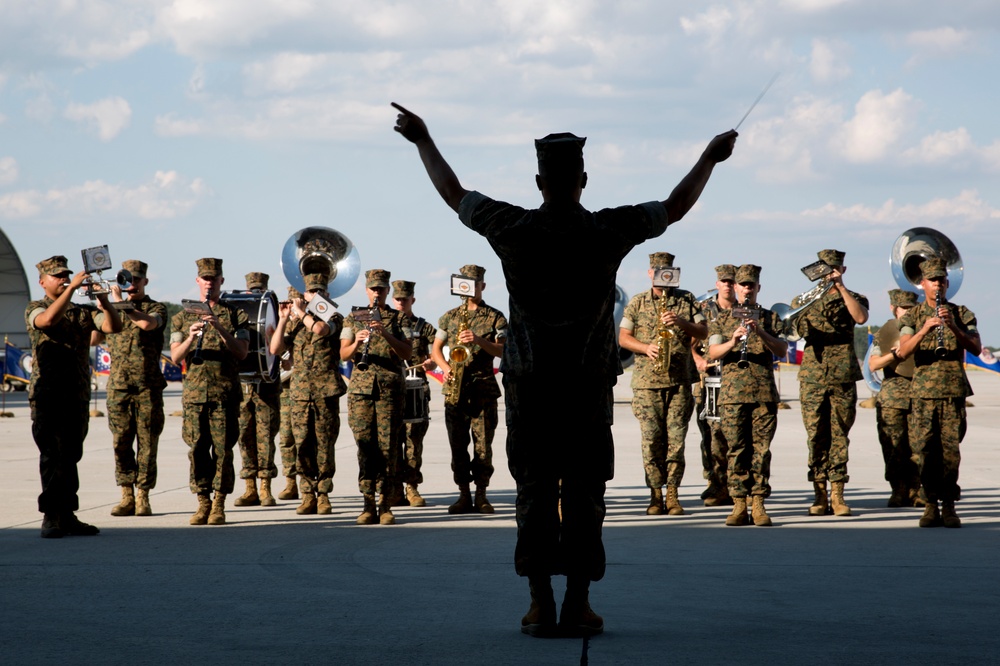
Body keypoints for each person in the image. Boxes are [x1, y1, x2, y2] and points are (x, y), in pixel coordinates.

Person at [393, 102, 736, 637]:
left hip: (531, 389)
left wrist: (422, 140)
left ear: (538, 180)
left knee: (533, 490)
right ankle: (577, 602)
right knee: (582, 494)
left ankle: (538, 603)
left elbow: (455, 195)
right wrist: (710, 158)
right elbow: (674, 206)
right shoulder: (606, 231)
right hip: (584, 390)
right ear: (582, 179)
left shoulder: (514, 228)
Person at [27, 255, 123, 538]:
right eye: (57, 276)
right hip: (48, 396)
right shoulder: (35, 307)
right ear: (42, 281)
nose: (63, 279)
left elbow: (112, 327)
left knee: (70, 455)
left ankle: (67, 514)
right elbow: (46, 321)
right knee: (51, 455)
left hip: (76, 395)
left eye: (66, 275)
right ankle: (51, 516)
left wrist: (104, 301)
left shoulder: (82, 312)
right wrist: (71, 291)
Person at [619, 252, 707, 516]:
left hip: (679, 382)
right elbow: (623, 337)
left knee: (676, 441)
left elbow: (703, 333)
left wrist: (680, 321)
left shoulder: (686, 299)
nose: (662, 275)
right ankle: (655, 494)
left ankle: (673, 494)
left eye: (667, 271)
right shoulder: (637, 302)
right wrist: (646, 347)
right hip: (647, 383)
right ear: (649, 273)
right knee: (651, 441)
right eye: (657, 271)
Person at [896, 258, 980, 528]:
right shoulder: (912, 316)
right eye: (933, 280)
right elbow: (903, 351)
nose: (938, 284)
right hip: (922, 393)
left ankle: (949, 506)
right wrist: (924, 329)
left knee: (950, 452)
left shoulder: (962, 312)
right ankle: (930, 504)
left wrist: (952, 325)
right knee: (925, 450)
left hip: (952, 391)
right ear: (923, 284)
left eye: (941, 280)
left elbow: (976, 348)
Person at [170, 258, 249, 526]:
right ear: (197, 281)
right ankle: (202, 501)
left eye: (214, 278)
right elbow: (175, 357)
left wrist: (218, 326)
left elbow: (241, 352)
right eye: (205, 278)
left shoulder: (237, 315)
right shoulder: (182, 317)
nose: (209, 282)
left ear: (221, 282)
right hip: (194, 396)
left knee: (223, 451)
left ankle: (219, 504)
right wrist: (191, 337)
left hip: (224, 394)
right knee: (197, 450)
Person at [707, 264, 787, 526]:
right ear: (737, 288)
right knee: (736, 450)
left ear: (758, 288)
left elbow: (782, 350)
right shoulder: (722, 318)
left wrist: (760, 331)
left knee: (761, 451)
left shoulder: (770, 317)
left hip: (763, 394)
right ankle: (739, 504)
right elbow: (713, 354)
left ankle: (759, 504)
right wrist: (733, 340)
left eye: (751, 285)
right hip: (732, 395)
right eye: (743, 285)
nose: (747, 289)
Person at [793, 249, 868, 517]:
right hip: (813, 376)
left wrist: (840, 287)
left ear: (842, 270)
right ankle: (819, 494)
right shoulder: (803, 300)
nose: (829, 273)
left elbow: (860, 318)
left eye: (834, 268)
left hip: (843, 375)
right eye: (825, 269)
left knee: (839, 435)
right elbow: (791, 330)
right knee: (815, 436)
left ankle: (838, 495)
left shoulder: (855, 298)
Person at [431, 264, 507, 514]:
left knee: (484, 446)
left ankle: (482, 495)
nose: (471, 288)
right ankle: (463, 494)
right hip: (456, 389)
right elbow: (435, 350)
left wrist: (478, 340)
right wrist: (446, 367)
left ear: (483, 286)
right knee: (458, 445)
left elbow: (502, 351)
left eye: (475, 283)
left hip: (483, 388)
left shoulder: (496, 317)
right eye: (466, 283)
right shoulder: (449, 316)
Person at [340, 268, 412, 525]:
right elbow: (343, 354)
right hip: (361, 392)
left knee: (389, 447)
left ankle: (385, 505)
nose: (377, 293)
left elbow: (406, 353)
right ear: (367, 290)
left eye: (381, 289)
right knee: (365, 446)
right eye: (373, 288)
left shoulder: (399, 319)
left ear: (387, 291)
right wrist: (358, 342)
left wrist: (385, 333)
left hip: (389, 391)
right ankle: (367, 503)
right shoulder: (353, 317)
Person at [271, 273, 347, 515]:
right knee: (302, 444)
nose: (314, 295)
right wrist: (284, 319)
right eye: (310, 292)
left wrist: (302, 313)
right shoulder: (295, 323)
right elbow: (275, 348)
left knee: (325, 444)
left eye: (319, 292)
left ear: (326, 294)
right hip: (300, 393)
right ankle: (307, 494)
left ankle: (323, 494)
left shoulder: (334, 316)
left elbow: (321, 329)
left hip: (325, 392)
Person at [102, 259, 167, 517]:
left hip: (147, 386)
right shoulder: (113, 308)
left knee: (148, 443)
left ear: (145, 281)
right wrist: (105, 306)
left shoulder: (155, 307)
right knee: (120, 442)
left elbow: (148, 324)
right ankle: (126, 493)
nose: (132, 285)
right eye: (126, 280)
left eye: (137, 280)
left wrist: (123, 306)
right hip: (119, 386)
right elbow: (96, 336)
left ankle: (143, 495)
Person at [867, 289, 921, 508]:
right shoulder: (886, 331)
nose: (908, 313)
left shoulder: (922, 330)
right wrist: (895, 354)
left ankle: (917, 489)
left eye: (912, 308)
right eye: (904, 309)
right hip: (892, 396)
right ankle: (898, 490)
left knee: (919, 445)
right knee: (893, 447)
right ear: (893, 308)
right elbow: (873, 364)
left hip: (919, 393)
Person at [234, 272, 281, 508]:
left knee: (265, 439)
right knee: (244, 437)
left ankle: (265, 488)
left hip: (267, 387)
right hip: (243, 387)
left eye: (259, 287)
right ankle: (249, 487)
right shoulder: (239, 313)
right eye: (252, 287)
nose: (255, 291)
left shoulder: (276, 312)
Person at [692, 264, 736, 506]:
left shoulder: (745, 311)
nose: (728, 285)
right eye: (724, 281)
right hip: (708, 383)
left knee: (736, 436)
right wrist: (698, 359)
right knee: (710, 436)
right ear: (717, 284)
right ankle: (715, 483)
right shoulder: (704, 312)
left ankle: (735, 485)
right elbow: (688, 342)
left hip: (736, 383)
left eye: (732, 281)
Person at [391, 279, 437, 507]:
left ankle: (412, 487)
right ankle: (395, 489)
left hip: (416, 390)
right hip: (391, 390)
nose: (401, 302)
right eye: (397, 299)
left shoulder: (423, 327)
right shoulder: (388, 324)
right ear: (393, 299)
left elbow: (437, 351)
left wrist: (431, 362)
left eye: (405, 299)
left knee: (412, 441)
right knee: (392, 441)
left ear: (412, 300)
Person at [276, 286, 303, 502]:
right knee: (286, 437)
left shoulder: (311, 320)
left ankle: (308, 485)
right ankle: (290, 482)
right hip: (286, 388)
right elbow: (274, 349)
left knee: (306, 438)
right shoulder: (281, 321)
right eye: (292, 299)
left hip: (306, 387)